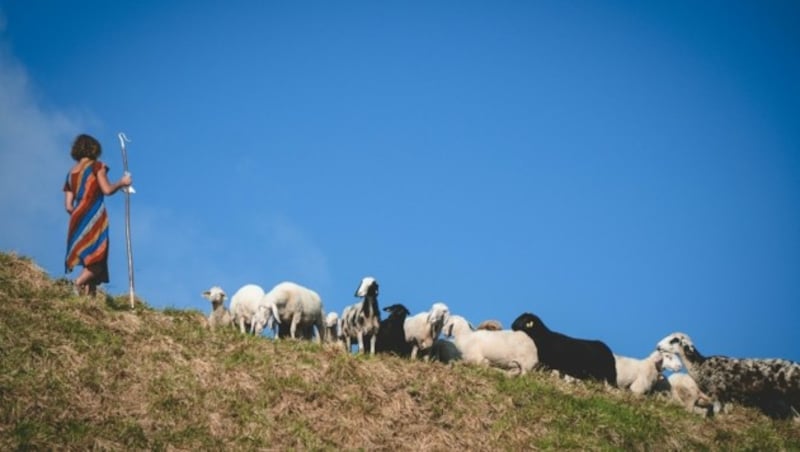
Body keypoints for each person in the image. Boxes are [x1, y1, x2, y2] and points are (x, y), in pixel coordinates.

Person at [63, 134, 132, 296]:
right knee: (97, 260)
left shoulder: (70, 174)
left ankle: (89, 301)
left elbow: (68, 206)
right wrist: (122, 183)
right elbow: (107, 190)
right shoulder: (97, 166)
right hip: (94, 215)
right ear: (95, 149)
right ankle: (76, 284)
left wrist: (79, 214)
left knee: (90, 259)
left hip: (77, 218)